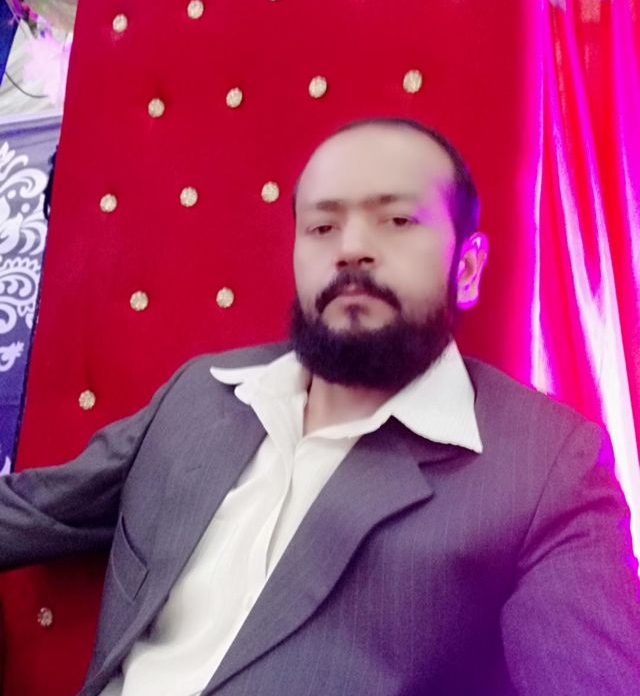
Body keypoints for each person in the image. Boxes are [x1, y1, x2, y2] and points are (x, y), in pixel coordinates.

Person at [1, 117, 639, 696]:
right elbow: (33, 511)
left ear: (467, 269)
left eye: (397, 221)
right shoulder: (200, 393)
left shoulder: (544, 467)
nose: (351, 248)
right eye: (322, 227)